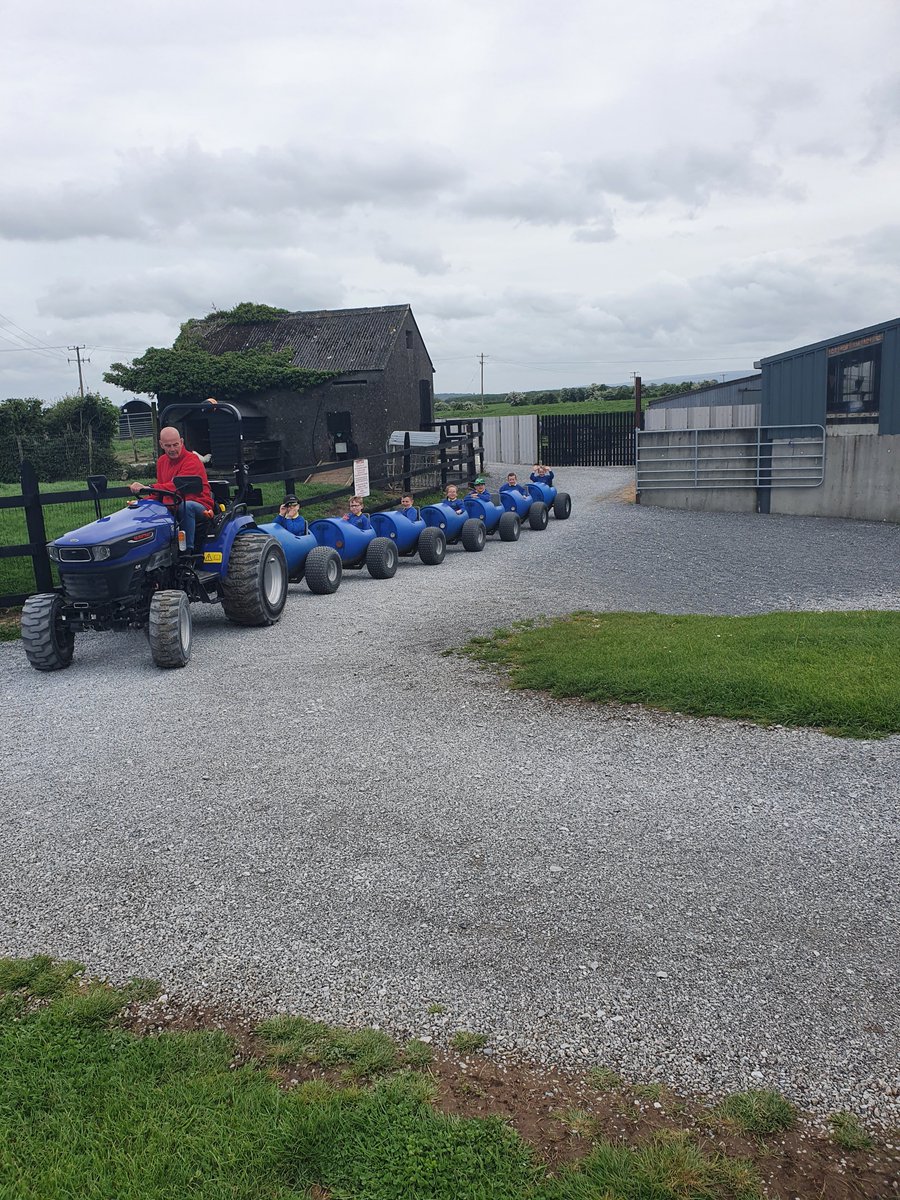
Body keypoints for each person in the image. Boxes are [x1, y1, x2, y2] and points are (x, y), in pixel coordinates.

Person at [129, 426, 213, 551]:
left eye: (175, 445)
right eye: (168, 446)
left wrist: (149, 487)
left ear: (181, 442)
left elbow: (177, 486)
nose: (172, 449)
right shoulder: (162, 462)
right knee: (144, 508)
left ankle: (187, 551)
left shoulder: (192, 460)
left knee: (186, 506)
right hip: (172, 504)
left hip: (197, 504)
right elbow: (160, 492)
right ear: (161, 445)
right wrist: (142, 502)